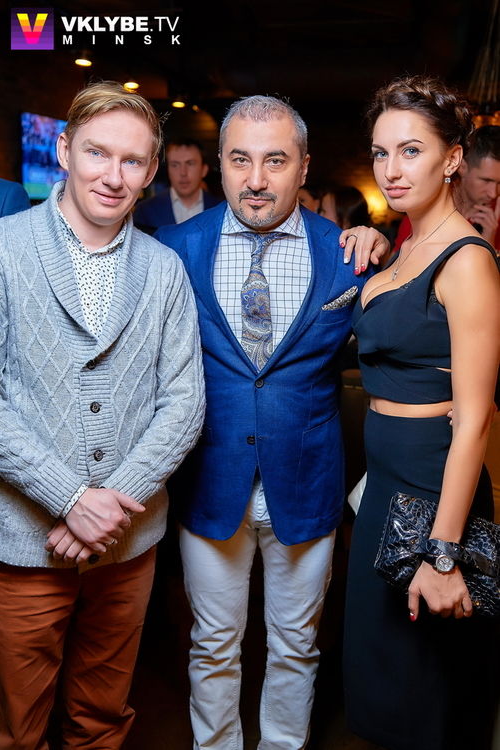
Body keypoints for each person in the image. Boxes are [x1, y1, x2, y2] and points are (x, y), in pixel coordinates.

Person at [155, 94, 389, 749]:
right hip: (210, 482)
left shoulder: (348, 255)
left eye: (275, 161)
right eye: (240, 160)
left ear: (303, 167)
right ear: (220, 164)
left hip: (306, 482)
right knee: (212, 643)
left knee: (295, 644)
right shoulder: (173, 250)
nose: (255, 179)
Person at [0, 81, 205, 749]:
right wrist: (69, 497)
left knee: (101, 720)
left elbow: (185, 402)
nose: (113, 177)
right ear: (63, 150)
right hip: (24, 545)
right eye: (97, 153)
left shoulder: (165, 269)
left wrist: (109, 505)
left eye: (132, 161)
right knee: (16, 728)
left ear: (150, 172)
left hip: (127, 546)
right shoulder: (4, 249)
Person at [343, 75, 500, 750]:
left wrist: (442, 552)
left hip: (434, 493)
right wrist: (371, 241)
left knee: (429, 692)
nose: (391, 169)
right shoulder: (405, 245)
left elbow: (475, 420)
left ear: (451, 158)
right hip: (383, 486)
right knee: (383, 683)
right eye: (381, 153)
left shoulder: (467, 261)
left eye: (411, 151)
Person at [394, 124, 500, 252]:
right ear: (462, 167)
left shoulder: (495, 218)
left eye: (499, 183)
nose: (493, 193)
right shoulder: (427, 208)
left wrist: (489, 244)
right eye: (486, 181)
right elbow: (398, 263)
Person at [133, 138, 220, 232]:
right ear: (168, 170)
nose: (183, 173)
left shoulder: (221, 210)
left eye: (190, 164)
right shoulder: (145, 211)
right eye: (175, 165)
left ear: (204, 170)